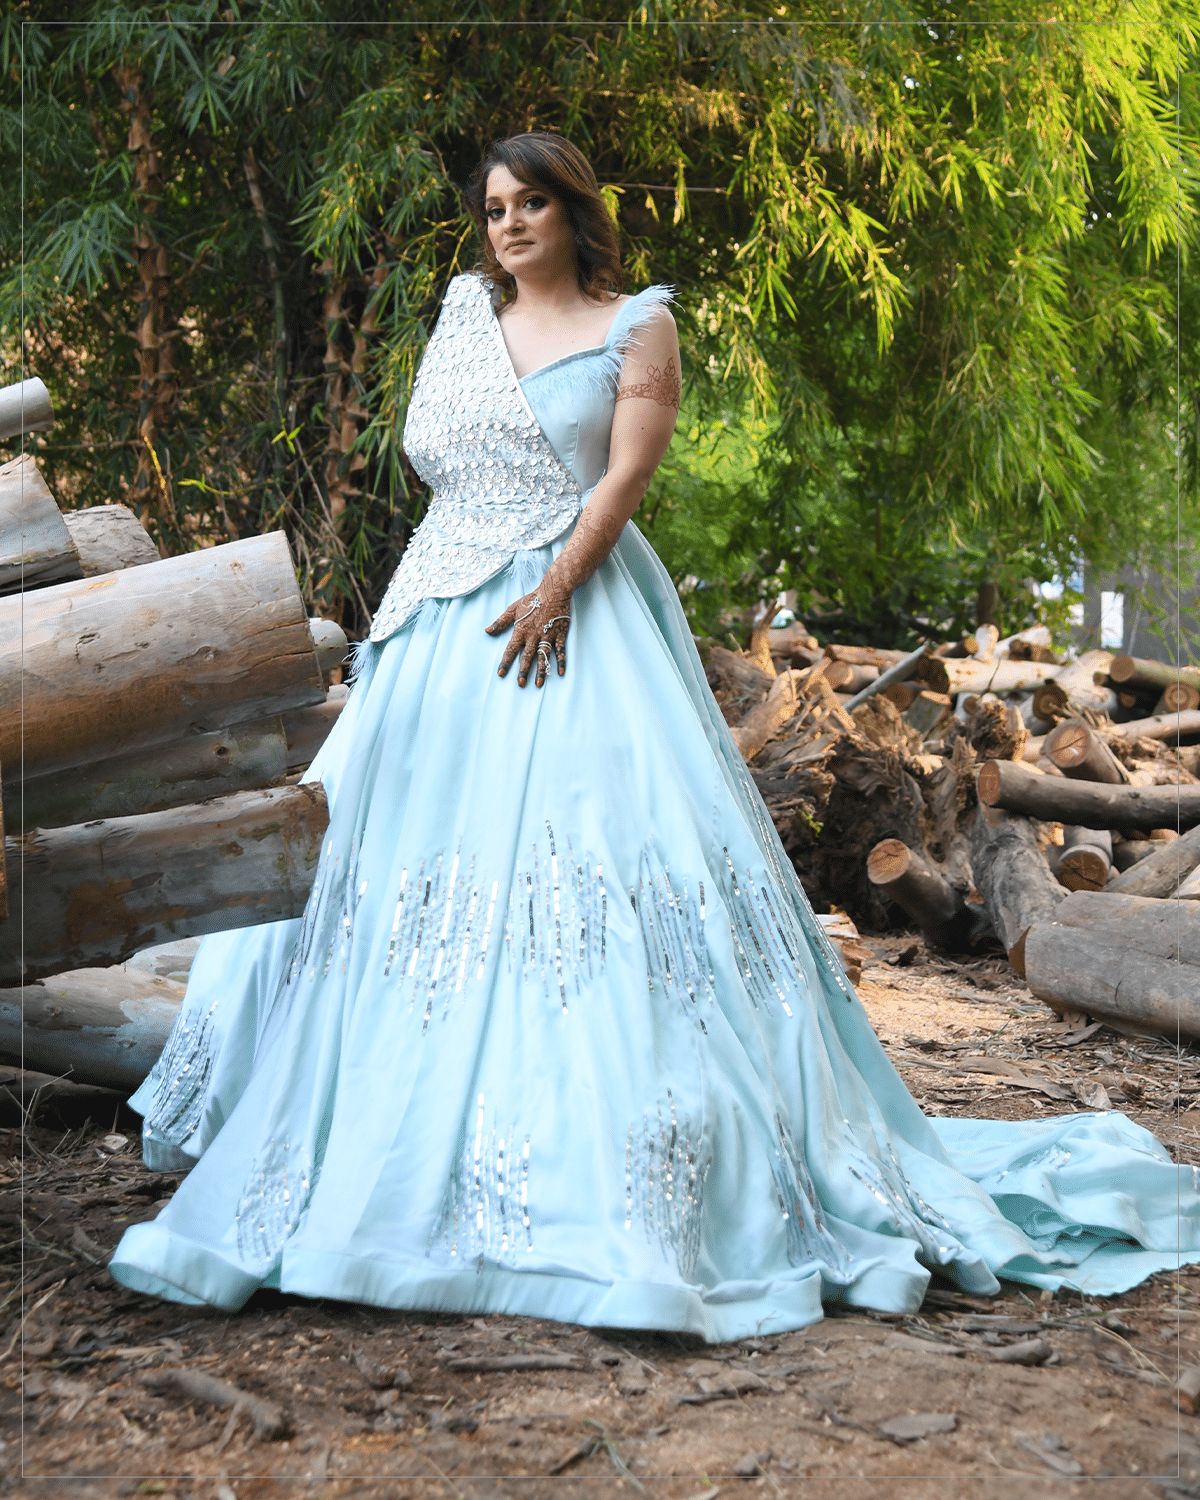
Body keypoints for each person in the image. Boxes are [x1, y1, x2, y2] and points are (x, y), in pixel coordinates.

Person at [111, 133, 1200, 1336]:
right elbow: (436, 462)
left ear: (575, 213)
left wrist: (554, 585)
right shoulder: (463, 318)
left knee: (597, 856)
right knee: (378, 855)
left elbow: (624, 478)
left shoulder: (640, 326)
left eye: (532, 203)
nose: (510, 224)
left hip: (578, 617)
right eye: (493, 208)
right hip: (442, 618)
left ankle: (614, 1140)